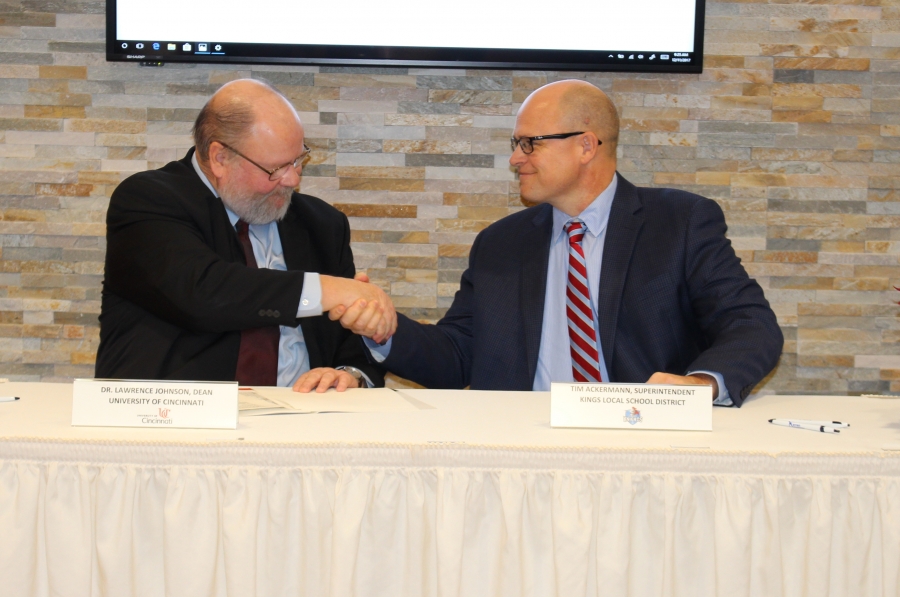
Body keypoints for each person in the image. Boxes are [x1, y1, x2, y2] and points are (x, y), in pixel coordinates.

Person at [334, 79, 783, 406]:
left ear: (586, 146)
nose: (515, 159)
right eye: (516, 144)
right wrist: (384, 328)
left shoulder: (679, 222)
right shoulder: (500, 243)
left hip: (641, 442)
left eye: (530, 144)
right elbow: (457, 357)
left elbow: (750, 325)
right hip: (521, 451)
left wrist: (702, 383)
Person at [95, 79, 394, 392]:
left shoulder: (322, 224)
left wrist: (351, 373)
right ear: (220, 157)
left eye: (298, 160)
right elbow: (203, 292)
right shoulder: (147, 200)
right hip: (175, 423)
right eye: (276, 168)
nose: (291, 179)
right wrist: (327, 289)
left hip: (303, 419)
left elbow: (351, 342)